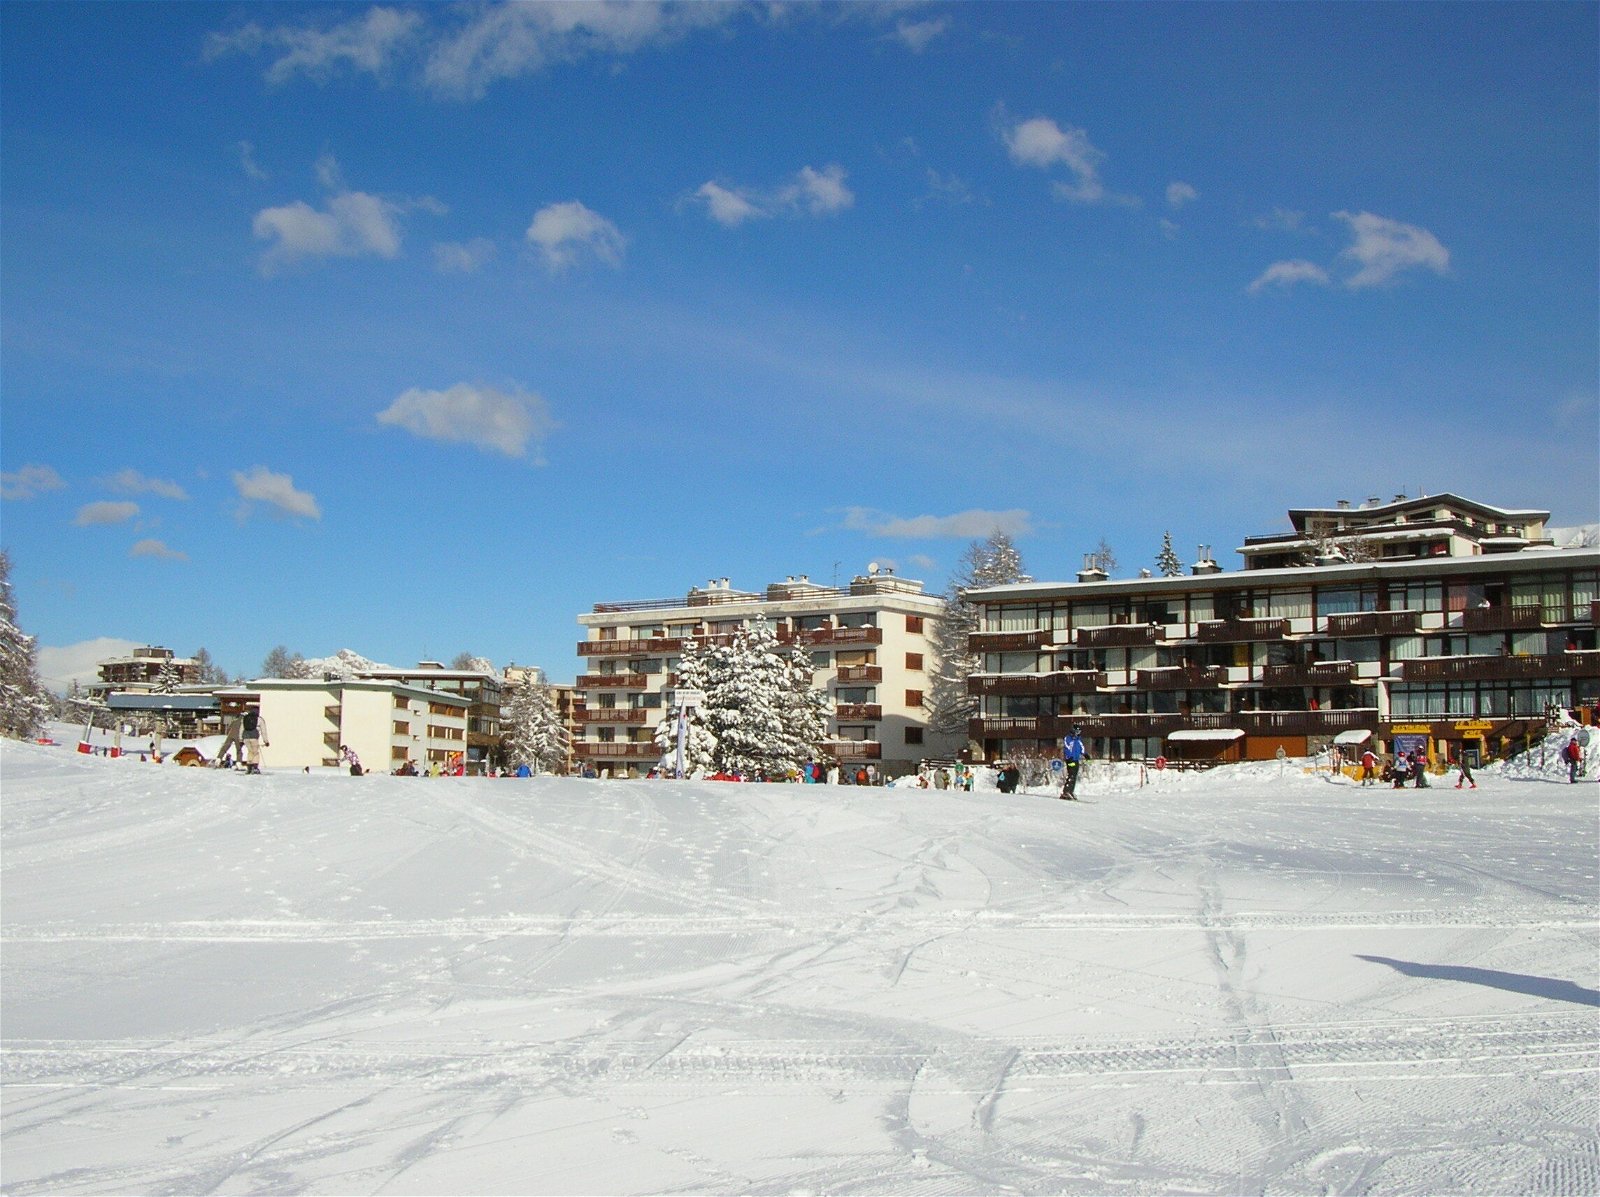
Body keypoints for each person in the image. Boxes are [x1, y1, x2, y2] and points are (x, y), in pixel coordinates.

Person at [1060, 727, 1086, 800]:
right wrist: (1069, 756)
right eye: (1077, 731)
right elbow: (1067, 748)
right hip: (1070, 761)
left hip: (1076, 760)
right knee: (1071, 774)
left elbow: (1081, 748)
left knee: (1074, 775)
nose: (1078, 733)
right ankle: (1066, 791)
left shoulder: (1078, 740)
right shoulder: (1068, 738)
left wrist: (1085, 754)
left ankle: (1070, 791)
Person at [241, 709, 267, 774]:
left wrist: (240, 739)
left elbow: (241, 728)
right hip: (254, 737)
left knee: (250, 752)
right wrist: (266, 741)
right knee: (255, 752)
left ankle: (249, 767)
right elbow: (264, 731)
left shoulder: (245, 718)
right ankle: (255, 767)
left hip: (245, 737)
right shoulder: (259, 719)